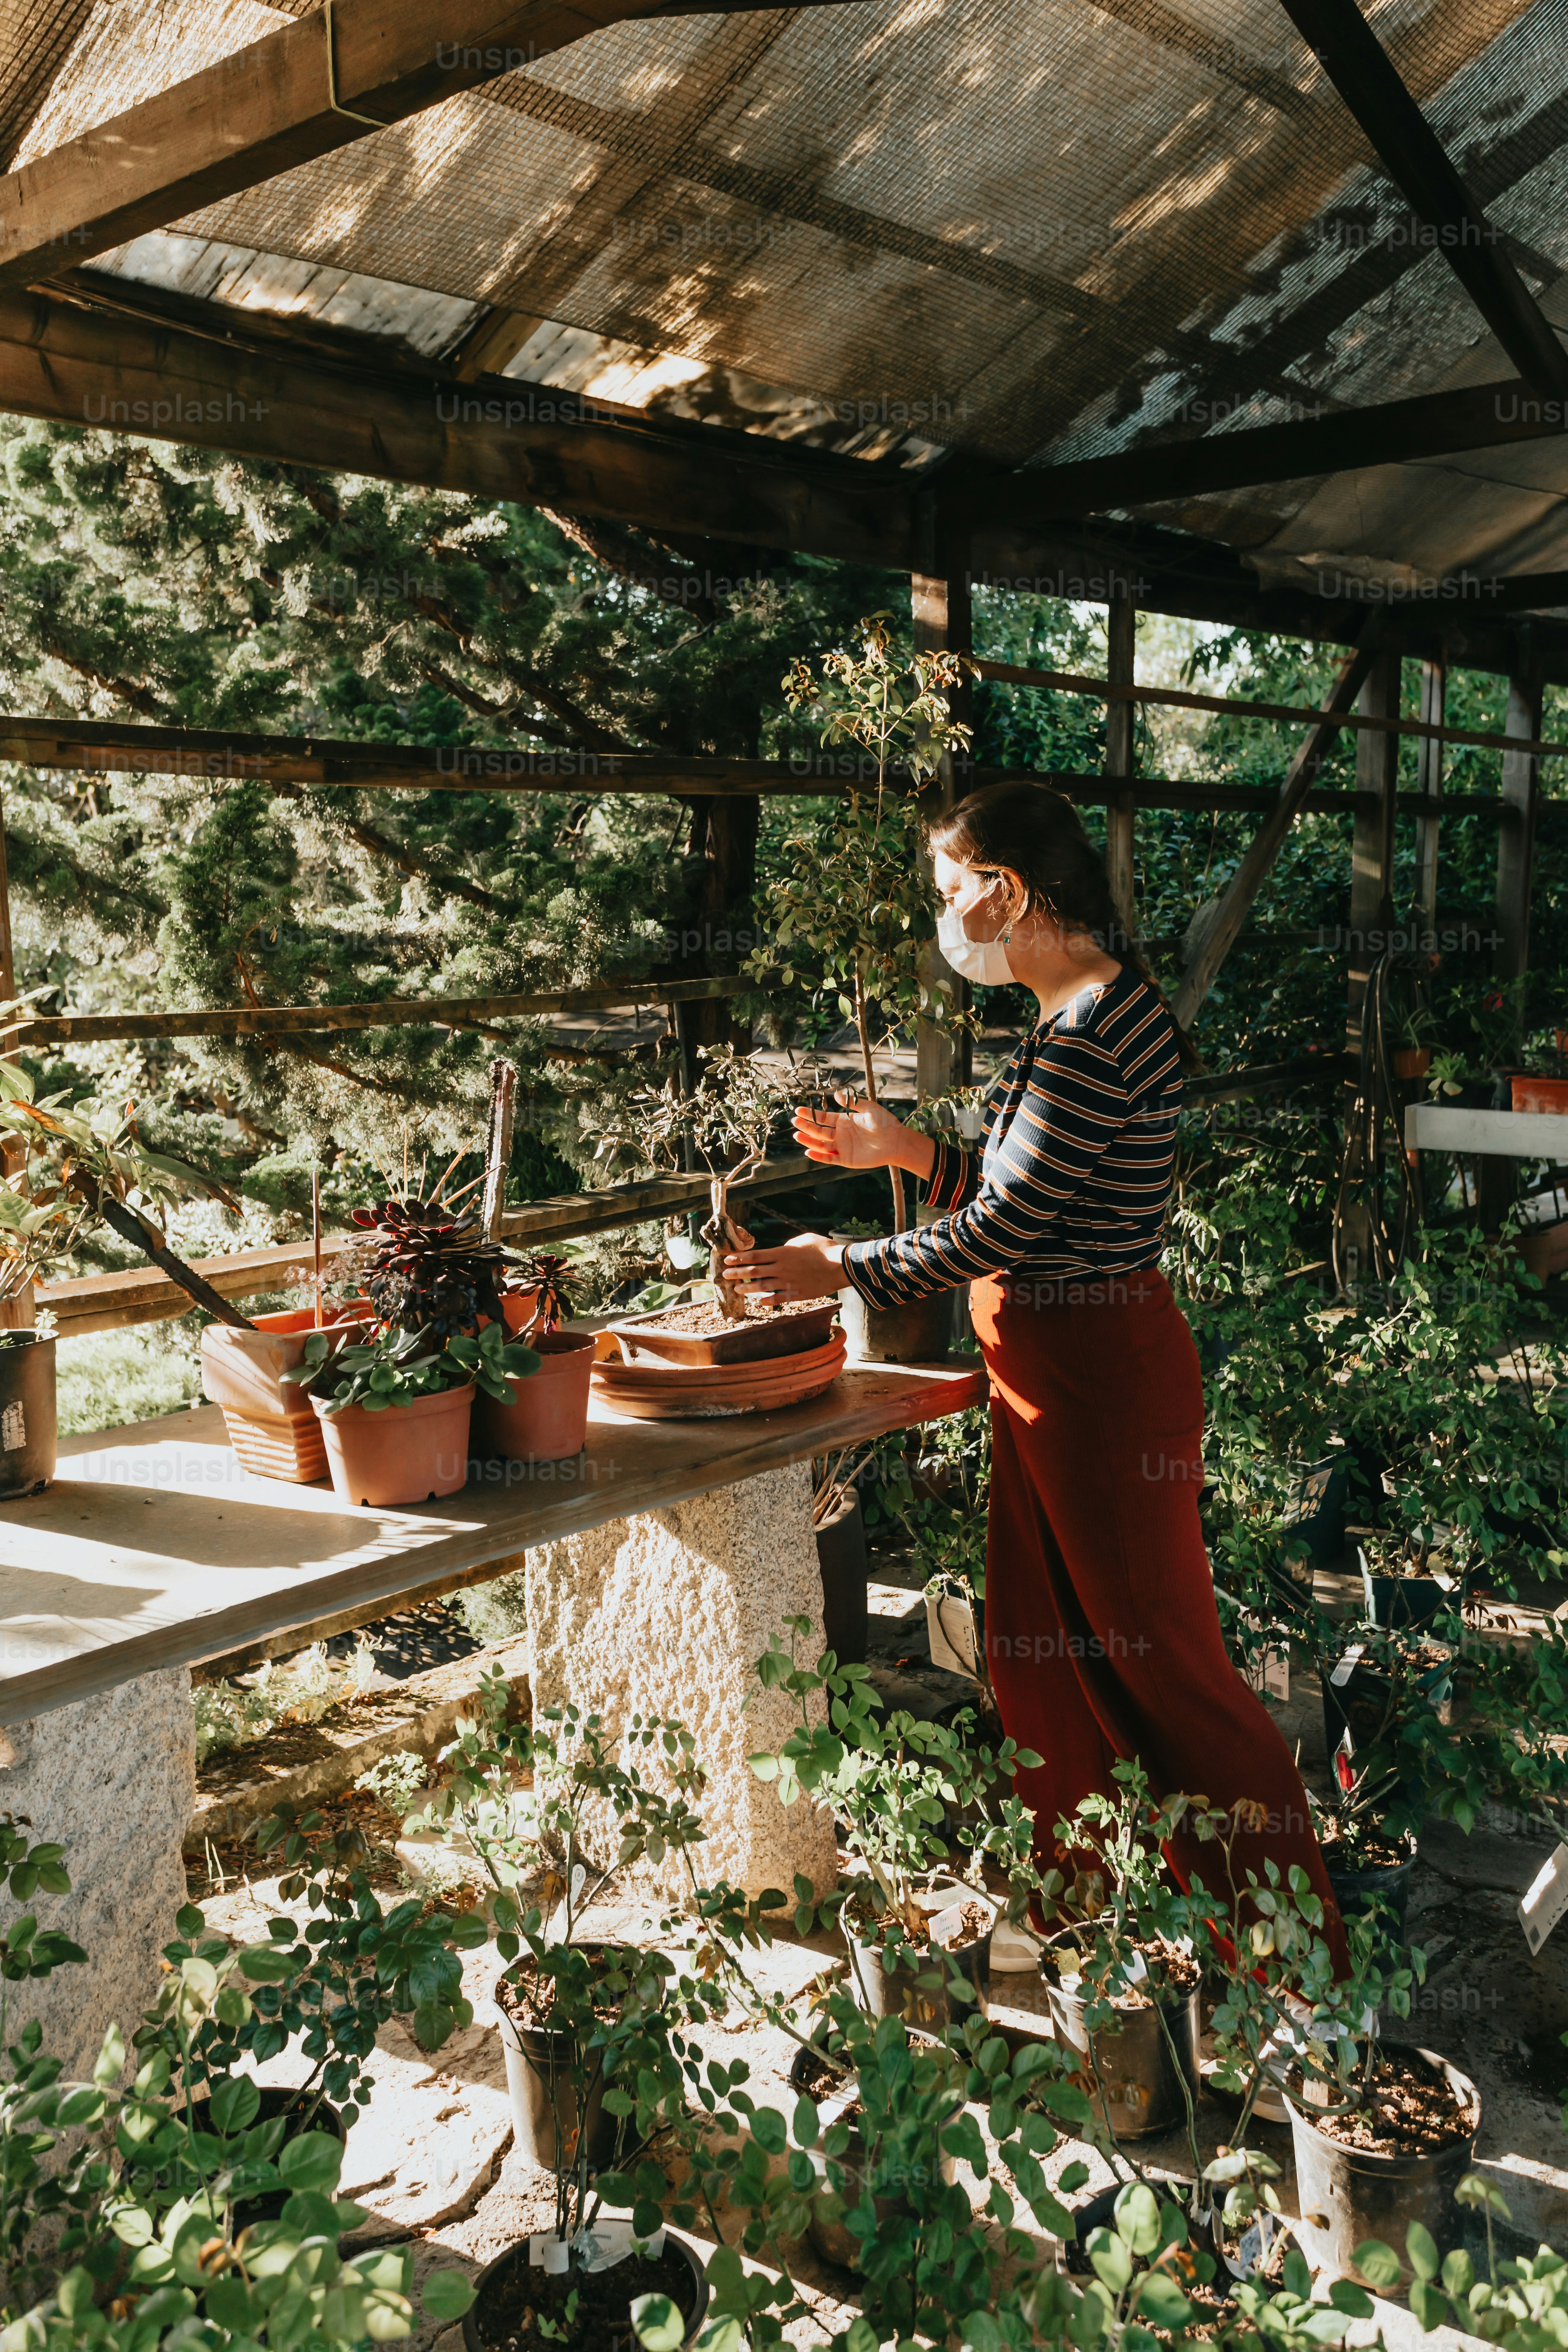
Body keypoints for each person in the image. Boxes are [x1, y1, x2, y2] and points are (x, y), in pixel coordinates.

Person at [726, 779, 1348, 1968]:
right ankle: (1084, 1912)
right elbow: (1040, 1205)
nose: (950, 919)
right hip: (1051, 1372)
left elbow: (1007, 1233)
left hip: (1101, 1381)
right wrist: (910, 1151)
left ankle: (1297, 1979)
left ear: (1011, 890)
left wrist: (837, 1266)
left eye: (957, 892)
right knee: (1036, 1648)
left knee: (1167, 1666)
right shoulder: (1079, 1022)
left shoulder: (1096, 1031)